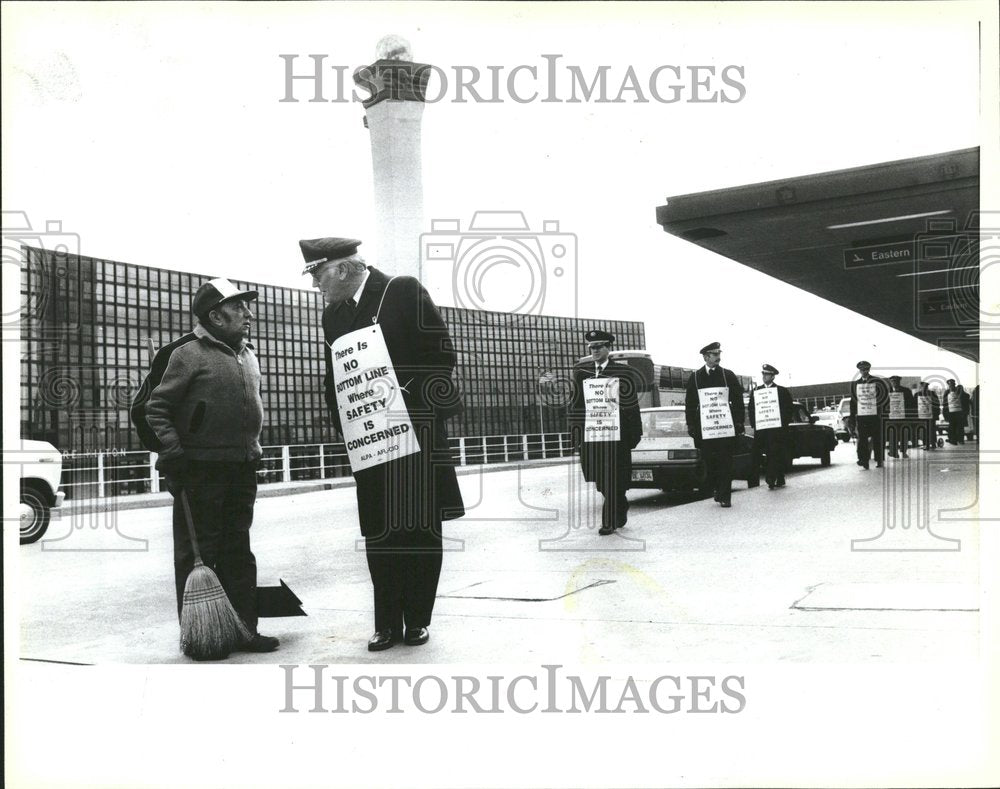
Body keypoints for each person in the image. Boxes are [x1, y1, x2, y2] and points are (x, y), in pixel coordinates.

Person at [301, 236, 465, 652]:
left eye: (317, 274)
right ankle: (386, 623)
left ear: (340, 269)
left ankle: (417, 621)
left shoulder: (402, 290)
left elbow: (441, 356)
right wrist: (347, 423)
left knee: (420, 530)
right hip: (369, 440)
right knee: (379, 531)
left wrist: (400, 399)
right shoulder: (332, 316)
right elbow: (335, 377)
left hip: (414, 432)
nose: (315, 284)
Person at [133, 278, 278, 658]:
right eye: (239, 307)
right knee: (197, 554)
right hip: (198, 470)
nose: (248, 313)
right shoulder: (182, 353)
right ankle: (202, 637)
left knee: (238, 551)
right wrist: (173, 453)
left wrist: (255, 446)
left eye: (247, 307)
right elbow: (153, 409)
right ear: (215, 315)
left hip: (241, 467)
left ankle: (245, 630)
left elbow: (251, 407)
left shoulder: (247, 354)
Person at [568, 329, 643, 535]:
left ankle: (608, 521)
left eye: (599, 347)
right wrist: (575, 435)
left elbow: (631, 405)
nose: (594, 350)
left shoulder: (623, 372)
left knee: (614, 477)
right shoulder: (582, 374)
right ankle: (620, 503)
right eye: (591, 347)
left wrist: (635, 434)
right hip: (593, 437)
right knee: (602, 482)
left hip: (617, 437)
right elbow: (576, 406)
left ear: (608, 348)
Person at [685, 342, 746, 507]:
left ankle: (725, 495)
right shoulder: (696, 377)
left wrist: (739, 421)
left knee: (725, 461)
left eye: (719, 353)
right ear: (706, 357)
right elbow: (690, 403)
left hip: (725, 427)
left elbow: (738, 400)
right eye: (714, 354)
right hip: (706, 429)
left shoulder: (728, 375)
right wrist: (690, 424)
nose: (718, 357)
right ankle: (718, 489)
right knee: (710, 462)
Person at [748, 363, 793, 489]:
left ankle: (771, 477)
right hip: (762, 428)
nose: (764, 376)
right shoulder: (757, 391)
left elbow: (789, 409)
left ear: (773, 377)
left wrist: (783, 423)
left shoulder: (781, 391)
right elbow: (752, 409)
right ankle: (778, 476)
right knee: (765, 452)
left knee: (775, 452)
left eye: (767, 374)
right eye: (763, 374)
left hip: (777, 429)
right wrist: (754, 423)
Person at [849, 360, 888, 470]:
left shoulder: (877, 382)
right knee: (862, 439)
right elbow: (853, 401)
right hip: (862, 416)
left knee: (877, 438)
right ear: (859, 371)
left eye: (866, 369)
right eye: (862, 370)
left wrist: (882, 411)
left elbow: (884, 398)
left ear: (869, 369)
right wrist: (852, 416)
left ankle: (879, 459)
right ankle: (863, 460)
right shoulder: (855, 384)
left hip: (875, 416)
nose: (864, 371)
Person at [885, 375, 915, 459]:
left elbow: (912, 403)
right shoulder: (887, 391)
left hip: (903, 416)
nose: (895, 383)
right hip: (891, 417)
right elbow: (884, 404)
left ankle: (904, 452)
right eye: (893, 382)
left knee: (904, 434)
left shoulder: (906, 391)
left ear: (899, 382)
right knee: (892, 434)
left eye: (896, 381)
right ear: (890, 382)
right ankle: (893, 452)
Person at [914, 380, 940, 450]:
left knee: (931, 429)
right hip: (921, 415)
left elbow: (937, 404)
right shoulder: (917, 394)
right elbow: (914, 405)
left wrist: (936, 414)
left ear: (927, 387)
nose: (924, 388)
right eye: (922, 387)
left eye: (925, 387)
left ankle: (933, 443)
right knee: (923, 430)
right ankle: (926, 443)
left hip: (930, 415)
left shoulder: (932, 394)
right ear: (921, 387)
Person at [943, 379, 970, 445]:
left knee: (960, 426)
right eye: (950, 384)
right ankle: (953, 439)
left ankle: (960, 439)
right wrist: (945, 413)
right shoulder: (947, 392)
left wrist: (965, 412)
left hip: (959, 412)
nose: (951, 385)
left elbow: (965, 400)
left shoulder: (959, 390)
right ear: (948, 385)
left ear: (954, 384)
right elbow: (945, 403)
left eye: (952, 384)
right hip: (951, 412)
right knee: (952, 426)